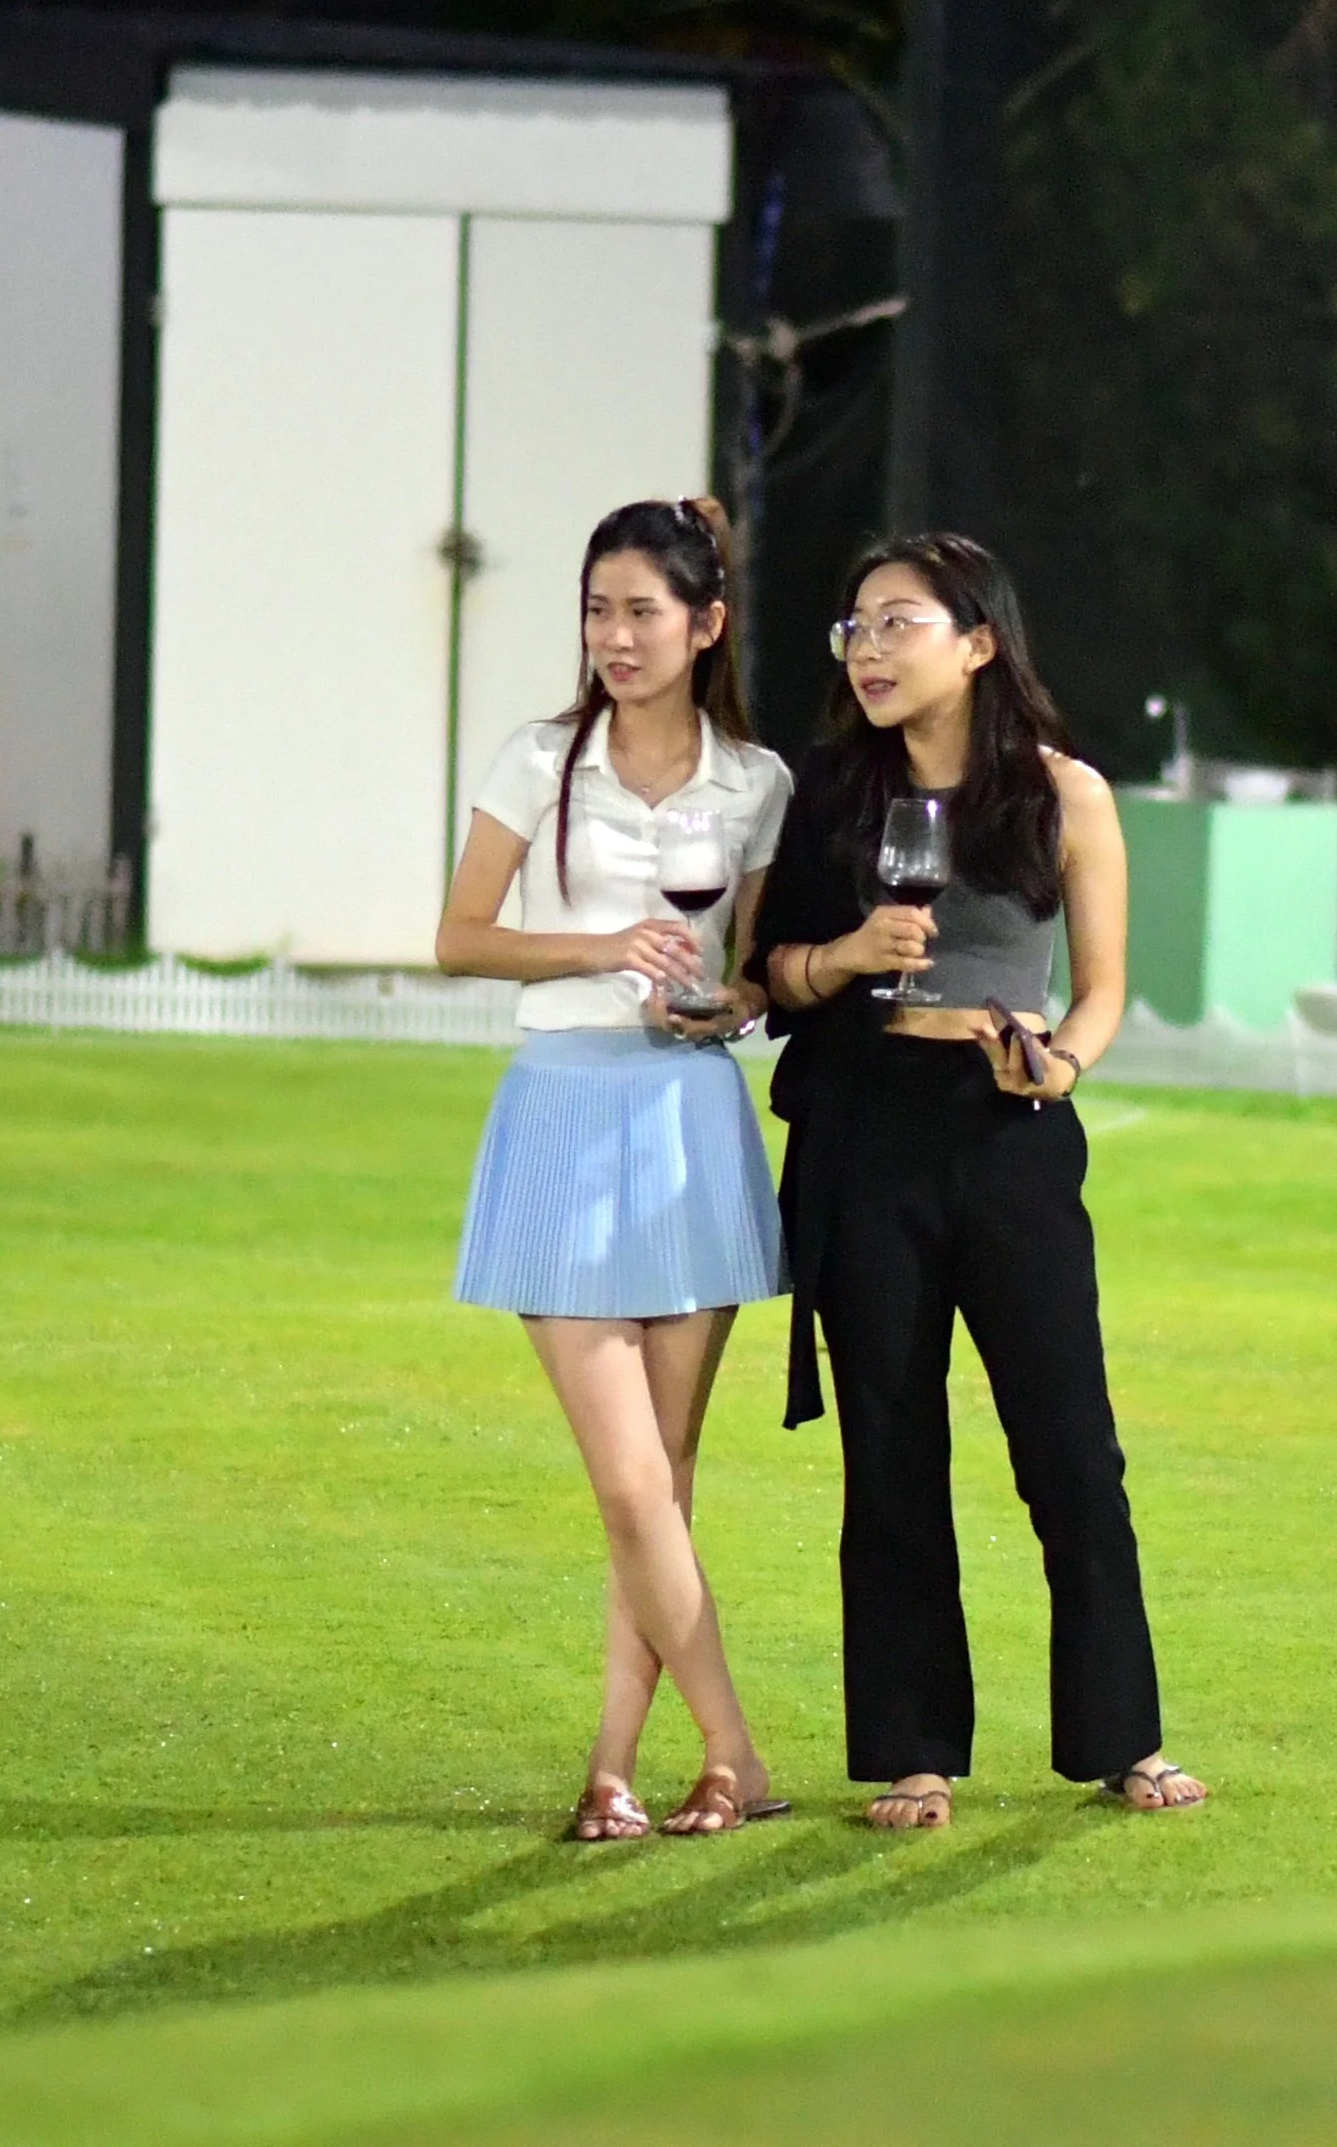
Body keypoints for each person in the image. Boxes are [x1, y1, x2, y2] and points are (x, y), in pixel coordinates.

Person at [747, 533, 1208, 1829]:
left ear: (980, 643)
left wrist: (1061, 1065)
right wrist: (848, 955)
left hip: (1010, 1132)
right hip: (867, 1132)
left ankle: (1123, 1738)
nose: (870, 650)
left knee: (1070, 1445)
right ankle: (915, 1752)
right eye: (856, 627)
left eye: (899, 623)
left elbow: (1102, 989)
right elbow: (772, 973)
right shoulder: (830, 793)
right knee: (891, 1449)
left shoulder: (1066, 794)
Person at [437, 497, 794, 1842]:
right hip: (562, 1119)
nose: (616, 636)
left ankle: (615, 1770)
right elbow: (460, 937)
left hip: (690, 1122)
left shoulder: (756, 784)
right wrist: (601, 950)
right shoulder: (540, 760)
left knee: (667, 1483)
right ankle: (737, 1753)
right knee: (631, 1484)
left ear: (706, 625)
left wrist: (733, 1003)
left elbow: (754, 975)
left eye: (643, 611)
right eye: (599, 610)